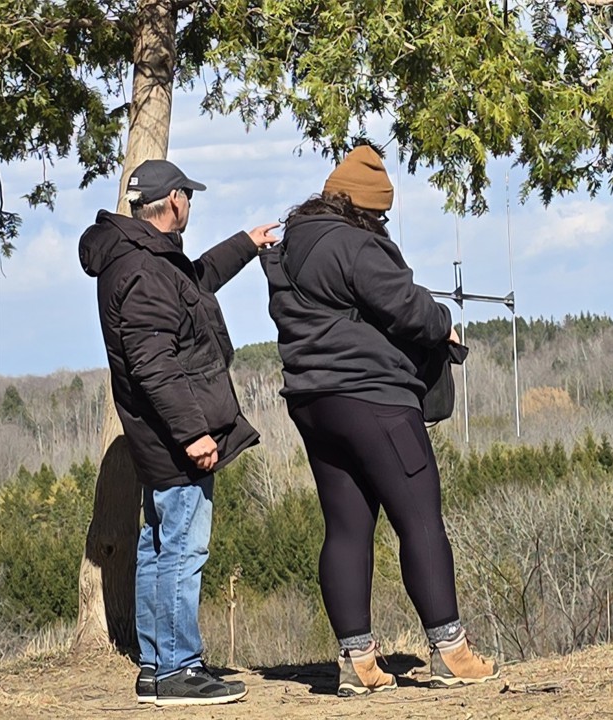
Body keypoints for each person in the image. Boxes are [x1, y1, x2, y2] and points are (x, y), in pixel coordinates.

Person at [260, 145, 500, 697]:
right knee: (420, 520)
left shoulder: (291, 246)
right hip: (375, 399)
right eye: (381, 214)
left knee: (346, 528)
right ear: (366, 208)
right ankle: (452, 653)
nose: (383, 223)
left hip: (312, 403)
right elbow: (406, 306)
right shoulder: (356, 244)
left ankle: (358, 662)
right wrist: (442, 322)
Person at [78, 159, 280, 706]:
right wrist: (193, 433)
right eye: (188, 195)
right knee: (182, 550)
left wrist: (245, 244)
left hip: (156, 434)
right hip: (173, 437)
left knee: (158, 544)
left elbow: (196, 280)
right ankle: (177, 668)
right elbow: (154, 365)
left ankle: (156, 664)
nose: (190, 202)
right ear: (173, 201)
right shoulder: (143, 270)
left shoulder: (142, 258)